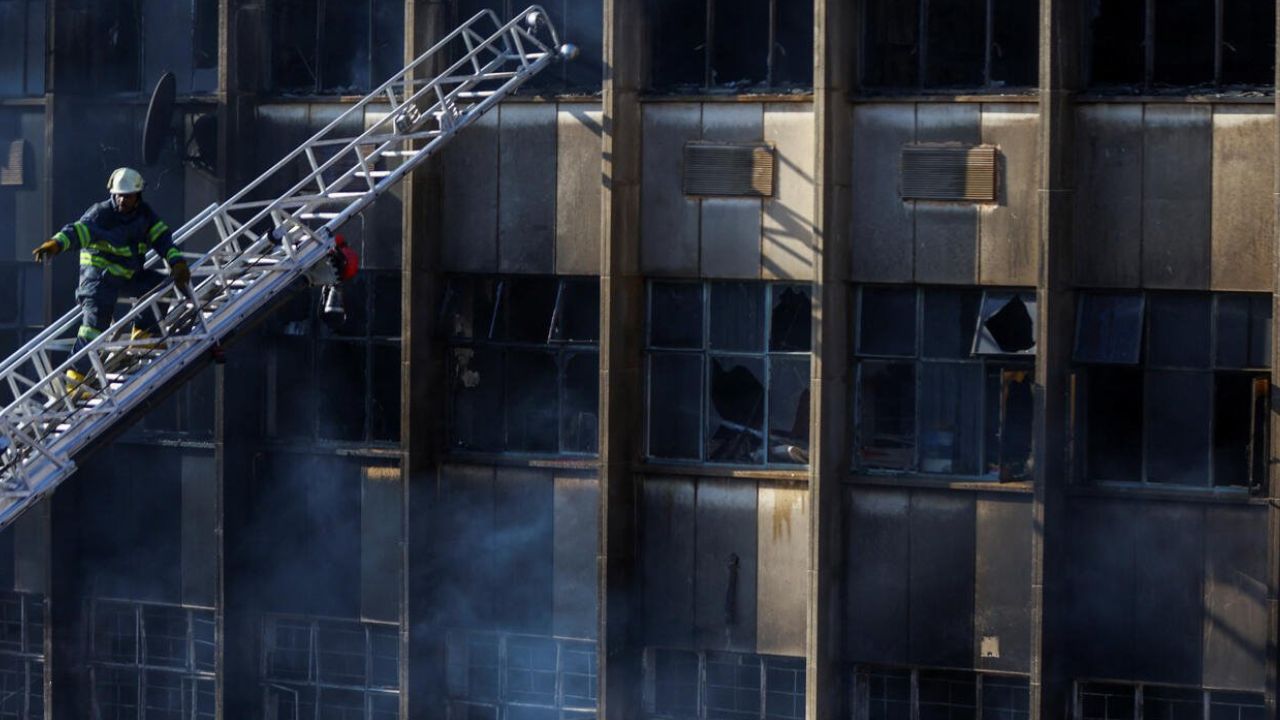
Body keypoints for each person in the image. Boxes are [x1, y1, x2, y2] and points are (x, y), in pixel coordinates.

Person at [31, 168, 190, 391]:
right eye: (119, 195)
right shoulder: (101, 214)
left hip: (126, 277)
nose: (123, 200)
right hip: (98, 281)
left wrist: (177, 263)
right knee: (93, 331)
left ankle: (145, 333)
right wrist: (56, 244)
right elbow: (77, 231)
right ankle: (75, 381)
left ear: (138, 196)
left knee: (160, 286)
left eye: (128, 196)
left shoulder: (145, 216)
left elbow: (163, 240)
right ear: (113, 194)